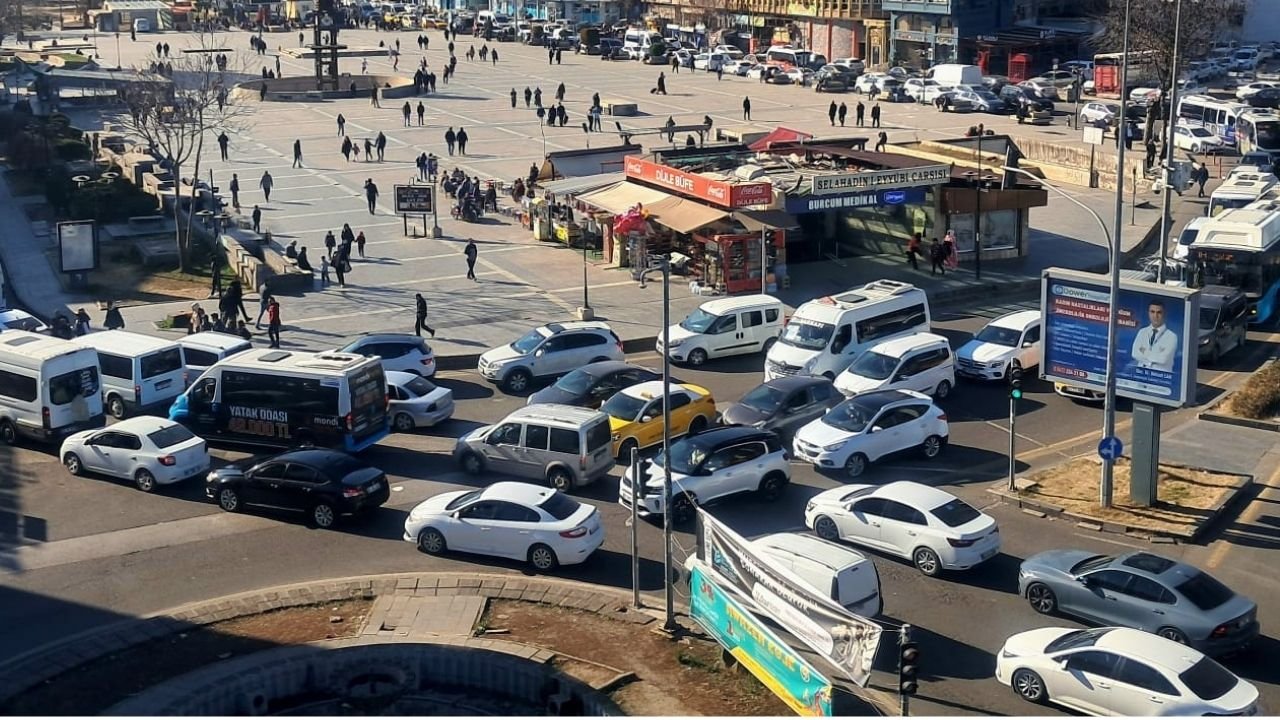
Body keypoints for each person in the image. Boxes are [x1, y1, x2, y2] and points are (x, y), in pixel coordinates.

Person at [1130, 299, 1178, 372]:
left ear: (1164, 314)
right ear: (1148, 313)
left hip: (1160, 378)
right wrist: (1155, 356)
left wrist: (1144, 352)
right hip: (1141, 376)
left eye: (1159, 312)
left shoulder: (1171, 336)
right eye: (1152, 312)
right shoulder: (1142, 332)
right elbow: (1135, 353)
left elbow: (1163, 359)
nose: (1155, 316)